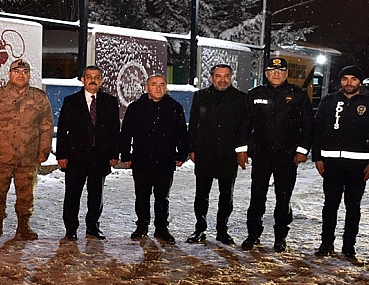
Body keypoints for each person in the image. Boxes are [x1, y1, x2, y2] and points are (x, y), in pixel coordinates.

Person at [236, 57, 313, 253]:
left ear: (286, 74)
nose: (276, 74)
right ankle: (253, 234)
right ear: (266, 74)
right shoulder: (254, 95)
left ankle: (280, 237)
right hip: (261, 155)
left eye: (280, 71)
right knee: (257, 197)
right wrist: (242, 149)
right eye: (272, 71)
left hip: (286, 156)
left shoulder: (298, 95)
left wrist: (302, 151)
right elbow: (245, 124)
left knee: (283, 197)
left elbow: (308, 126)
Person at [0, 59, 53, 240]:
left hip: (28, 155)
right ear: (9, 74)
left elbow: (46, 126)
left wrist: (44, 150)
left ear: (29, 75)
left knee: (26, 194)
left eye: (25, 71)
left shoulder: (39, 97)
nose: (20, 75)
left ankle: (23, 226)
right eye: (16, 71)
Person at [311, 65, 369, 260]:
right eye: (345, 79)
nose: (348, 83)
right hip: (332, 164)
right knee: (330, 205)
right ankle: (326, 244)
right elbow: (318, 130)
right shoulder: (328, 101)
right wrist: (317, 156)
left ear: (360, 81)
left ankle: (349, 247)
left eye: (353, 79)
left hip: (357, 166)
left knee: (353, 206)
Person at [120, 75, 189, 243]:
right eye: (154, 84)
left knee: (162, 197)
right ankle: (142, 226)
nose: (158, 88)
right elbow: (126, 134)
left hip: (166, 161)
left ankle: (161, 228)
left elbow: (182, 134)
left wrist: (182, 154)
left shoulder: (175, 107)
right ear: (146, 88)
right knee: (142, 196)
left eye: (162, 85)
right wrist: (126, 155)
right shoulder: (135, 108)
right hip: (141, 160)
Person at [55, 65, 120, 240]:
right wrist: (61, 155)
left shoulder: (110, 102)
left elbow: (115, 130)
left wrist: (114, 154)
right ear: (82, 79)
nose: (93, 80)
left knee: (96, 196)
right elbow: (62, 130)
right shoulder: (71, 101)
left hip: (100, 157)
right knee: (72, 195)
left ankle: (93, 227)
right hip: (76, 157)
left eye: (97, 77)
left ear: (102, 80)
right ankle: (71, 229)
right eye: (89, 76)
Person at [186, 64, 246, 245]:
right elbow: (194, 124)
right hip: (205, 152)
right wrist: (191, 148)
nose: (222, 79)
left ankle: (222, 230)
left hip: (228, 154)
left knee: (226, 196)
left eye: (226, 76)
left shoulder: (241, 98)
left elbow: (244, 127)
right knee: (201, 195)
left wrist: (242, 150)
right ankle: (200, 228)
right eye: (218, 76)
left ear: (231, 77)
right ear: (211, 77)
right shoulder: (201, 96)